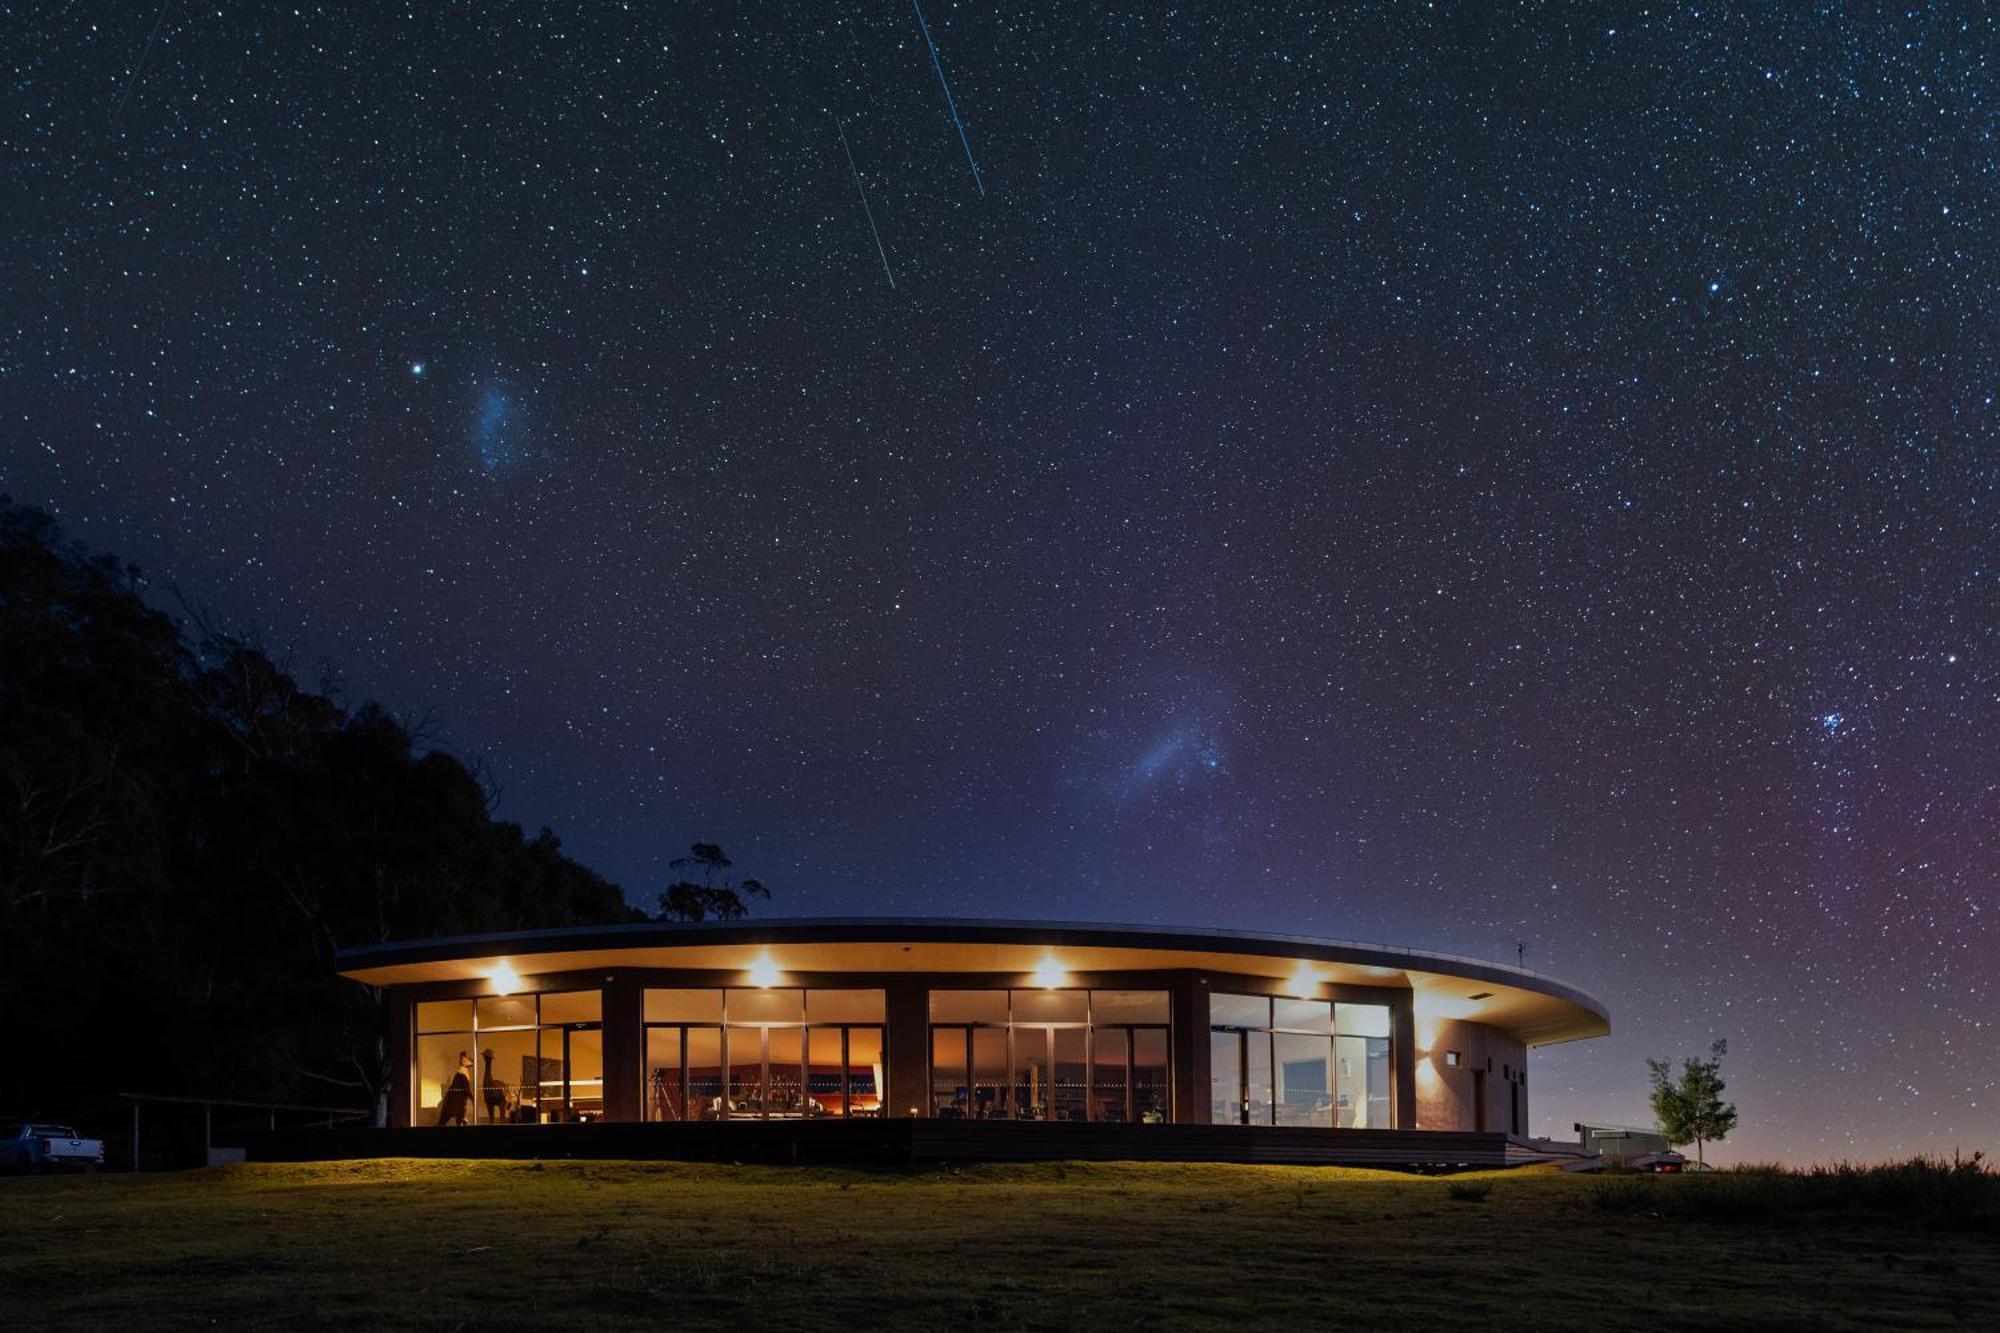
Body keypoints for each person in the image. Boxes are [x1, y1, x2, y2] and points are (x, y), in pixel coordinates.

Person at [436, 1051, 474, 1126]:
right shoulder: (462, 1075)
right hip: (457, 1105)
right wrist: (473, 1099)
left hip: (451, 1103)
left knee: (442, 1122)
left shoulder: (459, 1075)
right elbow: (467, 1090)